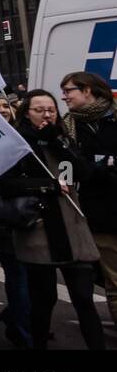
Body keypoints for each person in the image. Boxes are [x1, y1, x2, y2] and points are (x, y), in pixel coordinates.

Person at [0, 90, 106, 350]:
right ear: (26, 112)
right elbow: (6, 185)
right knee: (44, 300)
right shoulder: (17, 144)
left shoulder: (63, 139)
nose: (47, 114)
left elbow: (85, 173)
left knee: (84, 299)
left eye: (51, 109)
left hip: (73, 228)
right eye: (39, 109)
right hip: (39, 230)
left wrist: (57, 144)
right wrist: (47, 185)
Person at [60, 71, 117, 327]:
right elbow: (71, 170)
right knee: (114, 281)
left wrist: (97, 165)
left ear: (87, 90)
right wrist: (106, 164)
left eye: (69, 90)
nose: (64, 96)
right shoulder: (67, 127)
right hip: (98, 216)